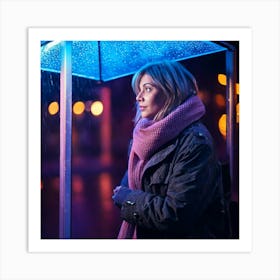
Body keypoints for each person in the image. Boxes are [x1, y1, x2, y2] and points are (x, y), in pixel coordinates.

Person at [112, 60, 226, 239]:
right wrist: (126, 196)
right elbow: (126, 187)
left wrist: (127, 197)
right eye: (139, 90)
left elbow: (175, 214)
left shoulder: (195, 143)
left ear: (171, 91)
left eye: (148, 89)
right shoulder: (143, 137)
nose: (138, 96)